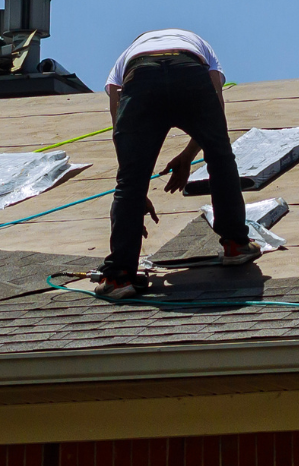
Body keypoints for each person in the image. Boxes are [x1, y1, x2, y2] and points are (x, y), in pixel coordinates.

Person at [97, 28, 256, 298]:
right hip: (189, 70)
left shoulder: (126, 57)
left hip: (141, 77)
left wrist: (135, 193)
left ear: (141, 42)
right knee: (220, 157)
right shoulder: (198, 44)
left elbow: (119, 129)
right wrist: (190, 154)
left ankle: (118, 278)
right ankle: (236, 245)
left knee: (129, 181)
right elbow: (217, 117)